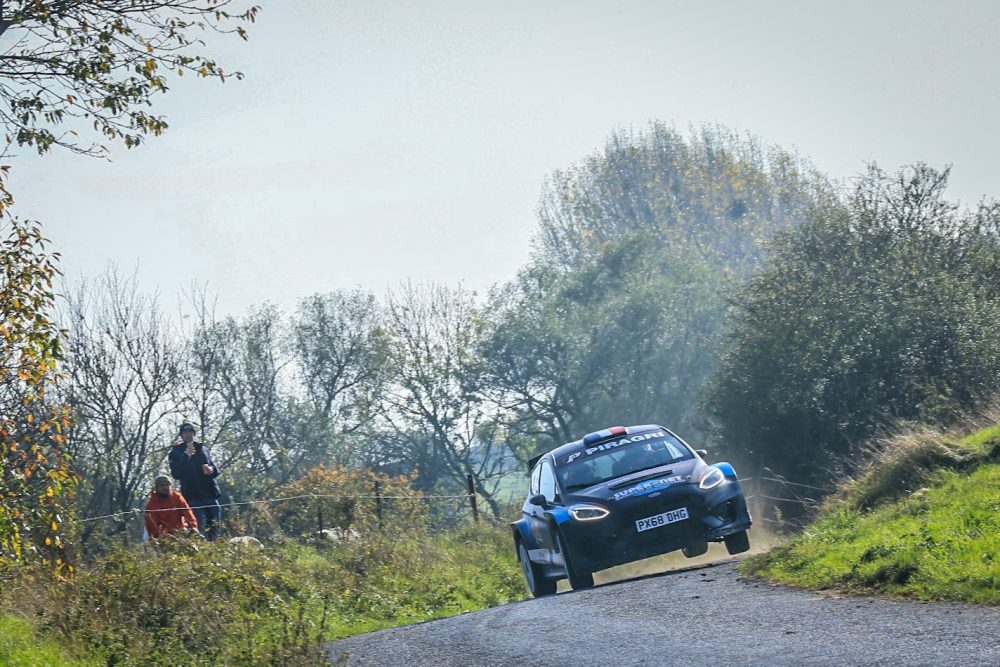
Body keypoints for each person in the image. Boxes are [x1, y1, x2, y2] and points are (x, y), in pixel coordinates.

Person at [168, 422, 223, 540]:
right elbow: (176, 474)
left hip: (210, 495)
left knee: (215, 528)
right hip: (193, 498)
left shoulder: (202, 448)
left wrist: (211, 469)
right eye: (185, 432)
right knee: (198, 529)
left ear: (194, 434)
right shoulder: (175, 452)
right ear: (181, 435)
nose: (188, 435)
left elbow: (215, 469)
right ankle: (201, 553)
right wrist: (185, 456)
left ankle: (214, 553)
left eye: (190, 432)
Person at [144, 474, 198, 539]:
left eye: (167, 485)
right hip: (161, 537)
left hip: (180, 532)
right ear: (156, 488)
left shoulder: (177, 497)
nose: (165, 488)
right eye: (161, 486)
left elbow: (187, 512)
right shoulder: (151, 505)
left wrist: (193, 526)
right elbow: (152, 527)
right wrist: (164, 536)